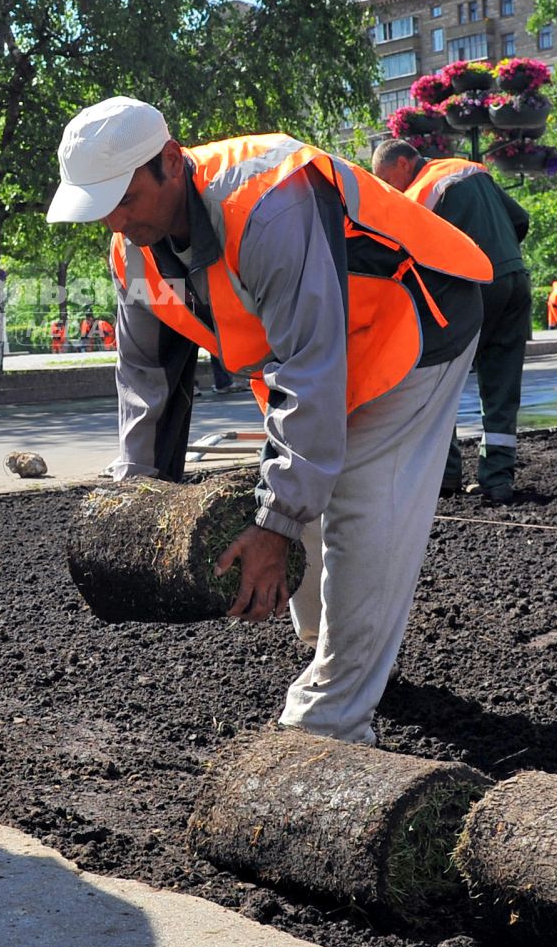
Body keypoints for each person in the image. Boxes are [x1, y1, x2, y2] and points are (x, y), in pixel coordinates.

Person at [47, 97, 490, 745]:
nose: (114, 219)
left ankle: (329, 727)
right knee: (291, 491)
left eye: (123, 198)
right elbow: (149, 381)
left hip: (413, 326)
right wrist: (137, 503)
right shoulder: (133, 252)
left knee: (363, 510)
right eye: (100, 207)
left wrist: (274, 524)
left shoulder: (266, 202)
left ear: (171, 162)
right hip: (316, 358)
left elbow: (311, 366)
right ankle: (318, 639)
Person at [372, 140, 532, 505]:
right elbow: (520, 219)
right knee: (502, 384)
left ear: (402, 163)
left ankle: (444, 477)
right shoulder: (470, 168)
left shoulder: (420, 192)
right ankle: (497, 479)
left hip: (474, 288)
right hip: (515, 280)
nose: (386, 187)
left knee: (439, 378)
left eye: (385, 178)